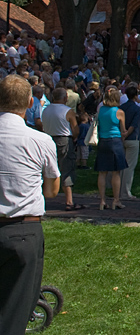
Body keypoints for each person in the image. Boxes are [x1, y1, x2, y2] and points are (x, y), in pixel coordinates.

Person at [0, 75, 60, 335]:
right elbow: (52, 189)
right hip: (23, 229)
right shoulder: (40, 141)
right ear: (30, 101)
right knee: (16, 309)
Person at [95, 87, 131, 210]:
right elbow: (123, 131)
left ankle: (102, 200)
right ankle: (116, 200)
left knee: (102, 172)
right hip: (115, 141)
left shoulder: (101, 110)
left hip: (103, 141)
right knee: (116, 172)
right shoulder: (119, 112)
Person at [119, 85, 140, 200]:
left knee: (121, 165)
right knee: (129, 166)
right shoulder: (137, 109)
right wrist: (127, 133)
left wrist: (122, 134)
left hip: (120, 138)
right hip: (132, 138)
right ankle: (125, 191)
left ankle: (118, 189)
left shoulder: (121, 107)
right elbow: (134, 125)